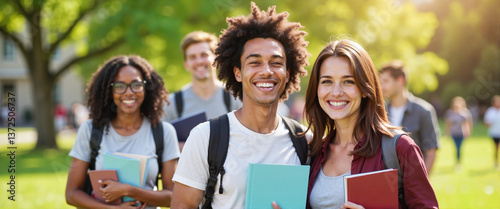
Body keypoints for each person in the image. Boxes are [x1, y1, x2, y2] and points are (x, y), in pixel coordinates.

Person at [170, 2, 311, 209]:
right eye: (254, 62)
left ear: (288, 73)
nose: (266, 71)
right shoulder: (206, 137)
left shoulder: (305, 142)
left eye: (276, 63)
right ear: (237, 73)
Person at [303, 39, 438, 209]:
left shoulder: (401, 148)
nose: (336, 92)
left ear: (365, 89)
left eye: (348, 81)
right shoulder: (312, 153)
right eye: (327, 81)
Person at [65, 55, 180, 209]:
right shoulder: (90, 130)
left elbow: (172, 197)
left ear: (145, 87)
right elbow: (71, 194)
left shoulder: (164, 132)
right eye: (119, 86)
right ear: (109, 90)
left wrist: (128, 190)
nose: (129, 92)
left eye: (136, 85)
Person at [164, 31, 242, 151]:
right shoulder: (172, 103)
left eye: (204, 55)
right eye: (192, 57)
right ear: (186, 64)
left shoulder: (236, 97)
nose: (199, 61)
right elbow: (161, 145)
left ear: (216, 58)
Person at [379, 60, 440, 174]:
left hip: (413, 181)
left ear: (400, 81)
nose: (382, 87)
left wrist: (421, 184)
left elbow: (431, 151)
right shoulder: (379, 112)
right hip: (386, 183)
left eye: (386, 81)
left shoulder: (424, 111)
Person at [445, 96, 473, 168]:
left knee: (459, 148)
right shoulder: (450, 113)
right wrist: (447, 133)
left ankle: (458, 162)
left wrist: (468, 132)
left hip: (462, 133)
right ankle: (457, 162)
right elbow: (448, 124)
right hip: (454, 133)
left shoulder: (465, 113)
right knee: (456, 147)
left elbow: (468, 123)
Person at [484, 95, 500, 169]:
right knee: (496, 148)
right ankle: (496, 161)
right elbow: (486, 122)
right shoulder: (490, 111)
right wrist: (489, 123)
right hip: (494, 132)